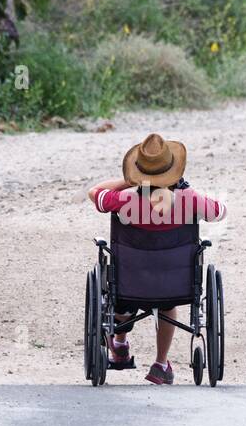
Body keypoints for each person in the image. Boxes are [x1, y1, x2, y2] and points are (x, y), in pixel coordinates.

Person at [86, 133, 226, 384]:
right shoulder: (189, 200)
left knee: (120, 291)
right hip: (174, 286)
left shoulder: (123, 200)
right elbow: (220, 212)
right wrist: (189, 192)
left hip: (130, 284)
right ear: (174, 171)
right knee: (166, 301)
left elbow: (95, 192)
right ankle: (161, 364)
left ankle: (119, 344)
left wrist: (128, 182)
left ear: (138, 173)